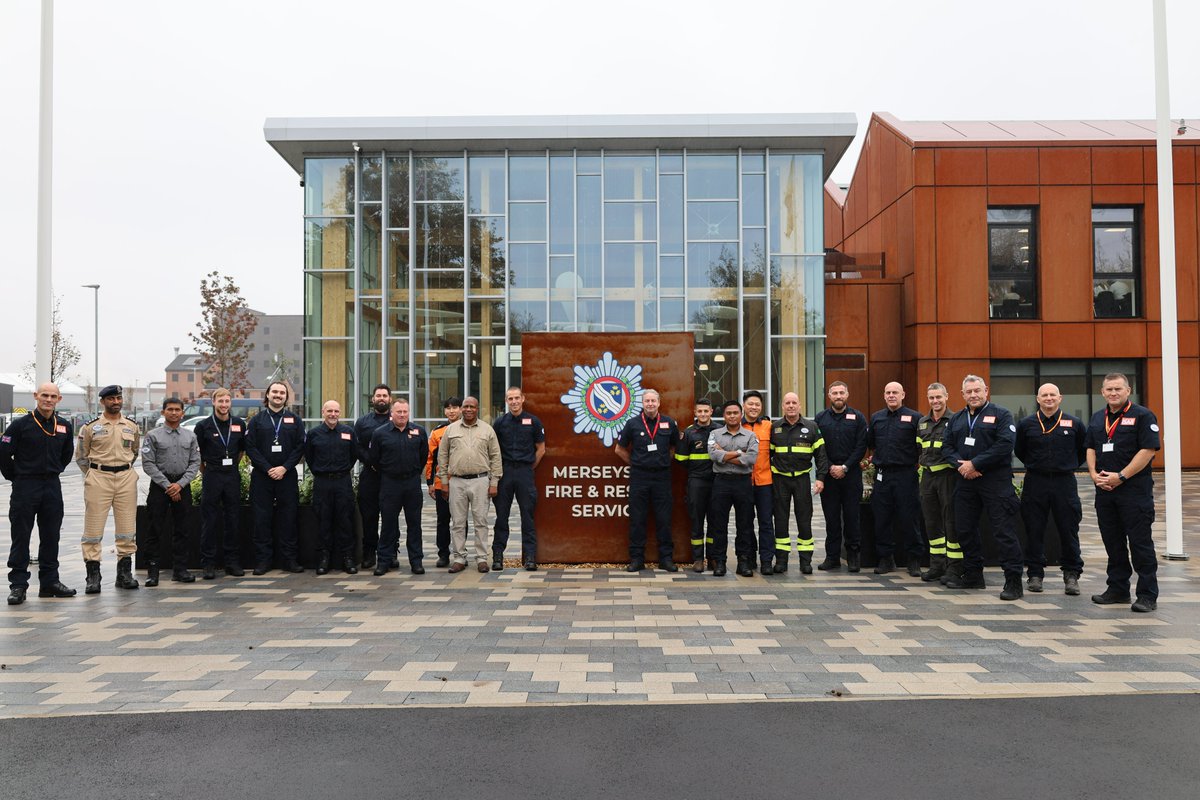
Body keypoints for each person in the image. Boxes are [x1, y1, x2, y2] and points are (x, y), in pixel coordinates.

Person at [943, 375, 1024, 600]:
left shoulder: (1001, 414)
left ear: (986, 390)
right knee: (964, 529)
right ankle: (973, 575)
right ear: (963, 394)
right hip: (966, 481)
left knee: (1003, 531)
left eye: (977, 390)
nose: (973, 395)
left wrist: (976, 464)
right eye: (969, 392)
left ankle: (1013, 582)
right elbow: (946, 447)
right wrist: (962, 466)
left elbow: (1005, 444)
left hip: (995, 481)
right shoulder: (957, 418)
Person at [1084, 373, 1160, 612]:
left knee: (1140, 544)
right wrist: (1094, 474)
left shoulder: (1143, 416)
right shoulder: (1098, 418)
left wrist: (1121, 476)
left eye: (1118, 389)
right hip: (1105, 492)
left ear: (1128, 390)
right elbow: (1090, 447)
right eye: (1109, 389)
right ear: (1102, 392)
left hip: (1134, 492)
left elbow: (1148, 451)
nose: (1113, 393)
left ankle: (1147, 595)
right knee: (1113, 542)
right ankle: (1118, 589)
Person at [2, 383, 77, 605]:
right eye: (44, 395)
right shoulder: (20, 425)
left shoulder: (63, 426)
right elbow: (3, 454)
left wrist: (54, 470)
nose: (48, 399)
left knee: (51, 535)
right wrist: (16, 477)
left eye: (53, 396)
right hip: (25, 486)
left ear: (59, 399)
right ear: (36, 396)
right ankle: (18, 585)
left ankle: (49, 583)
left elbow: (66, 455)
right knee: (21, 535)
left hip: (52, 486)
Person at [1015, 383, 1086, 595]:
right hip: (1036, 481)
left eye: (1052, 395)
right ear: (1038, 399)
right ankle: (1035, 574)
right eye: (1044, 395)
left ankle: (1071, 575)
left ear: (1060, 398)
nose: (1049, 398)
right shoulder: (1026, 424)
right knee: (1034, 529)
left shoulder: (1074, 423)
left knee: (1068, 528)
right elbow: (1020, 450)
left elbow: (1083, 451)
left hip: (1065, 482)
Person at [75, 384, 142, 593]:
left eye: (118, 398)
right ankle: (93, 576)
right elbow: (81, 456)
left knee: (127, 528)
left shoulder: (131, 426)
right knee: (93, 530)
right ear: (103, 401)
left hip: (125, 478)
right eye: (111, 398)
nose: (116, 402)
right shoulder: (90, 427)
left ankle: (124, 573)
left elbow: (134, 452)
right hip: (99, 478)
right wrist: (94, 474)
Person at [615, 389, 680, 572]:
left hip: (662, 477)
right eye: (647, 401)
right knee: (637, 519)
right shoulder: (632, 424)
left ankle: (666, 559)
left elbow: (675, 446)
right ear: (642, 403)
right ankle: (637, 559)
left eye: (653, 401)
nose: (650, 404)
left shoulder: (669, 423)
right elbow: (619, 449)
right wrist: (635, 463)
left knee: (664, 519)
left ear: (659, 403)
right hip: (639, 477)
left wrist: (664, 461)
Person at [245, 381, 306, 575]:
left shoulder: (295, 420)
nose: (278, 395)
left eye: (282, 393)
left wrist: (284, 468)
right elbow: (250, 447)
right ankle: (263, 561)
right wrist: (268, 468)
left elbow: (300, 447)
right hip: (262, 477)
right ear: (268, 395)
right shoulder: (256, 420)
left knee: (289, 518)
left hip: (287, 476)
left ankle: (289, 560)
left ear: (286, 397)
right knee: (261, 519)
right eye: (275, 392)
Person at [140, 396, 201, 585]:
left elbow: (195, 463)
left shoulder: (190, 436)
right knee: (154, 528)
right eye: (170, 409)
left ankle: (180, 570)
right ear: (163, 412)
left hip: (182, 485)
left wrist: (180, 484)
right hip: (160, 487)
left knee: (183, 529)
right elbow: (148, 463)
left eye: (177, 410)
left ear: (182, 413)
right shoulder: (152, 436)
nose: (174, 413)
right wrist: (168, 485)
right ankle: (152, 572)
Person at [437, 396, 502, 573]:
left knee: (481, 522)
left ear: (477, 409)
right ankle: (459, 558)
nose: (468, 409)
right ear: (461, 409)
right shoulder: (450, 430)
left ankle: (481, 559)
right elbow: (442, 457)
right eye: (465, 406)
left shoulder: (487, 430)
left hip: (481, 481)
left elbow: (496, 457)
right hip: (456, 481)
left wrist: (494, 482)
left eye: (472, 407)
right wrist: (444, 482)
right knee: (458, 523)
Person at [866, 382, 924, 576]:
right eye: (888, 392)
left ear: (903, 395)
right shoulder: (877, 418)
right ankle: (886, 559)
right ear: (884, 395)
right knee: (882, 518)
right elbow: (871, 443)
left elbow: (920, 446)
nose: (891, 395)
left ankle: (913, 560)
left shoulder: (915, 418)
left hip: (906, 475)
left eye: (895, 392)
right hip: (882, 475)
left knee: (909, 518)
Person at [768, 392, 828, 574]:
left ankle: (805, 561)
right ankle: (781, 560)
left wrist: (820, 478)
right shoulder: (775, 428)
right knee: (780, 520)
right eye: (787, 403)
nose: (791, 406)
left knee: (804, 520)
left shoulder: (812, 427)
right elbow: (767, 455)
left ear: (800, 405)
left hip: (801, 479)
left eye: (794, 402)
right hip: (780, 480)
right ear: (783, 406)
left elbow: (821, 455)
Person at [193, 388, 247, 579]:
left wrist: (231, 466)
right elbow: (197, 455)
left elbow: (241, 451)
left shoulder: (239, 424)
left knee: (233, 519)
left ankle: (232, 562)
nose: (224, 405)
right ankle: (208, 563)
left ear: (230, 403)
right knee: (209, 520)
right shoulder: (203, 426)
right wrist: (207, 471)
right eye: (220, 401)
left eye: (227, 401)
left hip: (231, 475)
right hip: (212, 474)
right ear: (213, 402)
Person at [370, 398, 428, 575]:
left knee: (414, 524)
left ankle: (416, 561)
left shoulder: (419, 431)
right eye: (399, 412)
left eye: (405, 412)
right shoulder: (379, 433)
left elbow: (423, 457)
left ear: (409, 413)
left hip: (412, 484)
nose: (402, 415)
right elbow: (374, 459)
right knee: (388, 524)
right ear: (392, 413)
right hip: (390, 483)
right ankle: (384, 561)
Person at [491, 387, 545, 571]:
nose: (514, 401)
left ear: (523, 399)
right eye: (510, 398)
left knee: (527, 517)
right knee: (501, 517)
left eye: (516, 398)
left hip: (524, 472)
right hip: (505, 473)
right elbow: (494, 450)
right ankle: (498, 556)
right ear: (506, 401)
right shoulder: (499, 423)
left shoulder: (534, 422)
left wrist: (529, 468)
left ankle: (530, 557)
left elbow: (541, 449)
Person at [815, 381, 867, 572]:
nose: (838, 396)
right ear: (829, 395)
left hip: (851, 475)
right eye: (835, 393)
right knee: (832, 519)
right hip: (829, 477)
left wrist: (845, 467)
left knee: (852, 518)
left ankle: (853, 557)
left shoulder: (858, 418)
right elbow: (818, 447)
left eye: (841, 392)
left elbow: (861, 446)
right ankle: (832, 558)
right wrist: (830, 467)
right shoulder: (820, 418)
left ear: (847, 394)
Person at [305, 400, 360, 576]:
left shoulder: (348, 432)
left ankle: (348, 558)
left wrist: (342, 470)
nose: (333, 414)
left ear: (340, 412)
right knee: (323, 520)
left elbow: (354, 455)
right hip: (322, 482)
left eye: (336, 411)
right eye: (329, 411)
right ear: (323, 412)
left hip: (342, 481)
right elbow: (309, 457)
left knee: (345, 520)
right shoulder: (313, 434)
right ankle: (324, 558)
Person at [706, 399, 759, 577]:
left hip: (743, 483)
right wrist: (739, 453)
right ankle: (720, 561)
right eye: (728, 413)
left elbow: (751, 459)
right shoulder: (714, 434)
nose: (732, 416)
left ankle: (743, 562)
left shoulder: (750, 436)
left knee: (745, 523)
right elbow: (713, 455)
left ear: (741, 414)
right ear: (724, 416)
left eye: (735, 413)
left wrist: (725, 454)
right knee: (719, 524)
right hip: (721, 482)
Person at [917, 383, 959, 584]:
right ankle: (937, 566)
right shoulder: (922, 422)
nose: (935, 401)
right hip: (928, 477)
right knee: (931, 522)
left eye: (938, 397)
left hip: (948, 476)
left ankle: (954, 567)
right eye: (931, 397)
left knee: (950, 522)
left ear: (946, 396)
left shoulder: (955, 420)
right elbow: (919, 448)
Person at [675, 398, 718, 573]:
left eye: (706, 411)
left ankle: (713, 558)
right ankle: (698, 559)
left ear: (711, 412)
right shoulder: (689, 433)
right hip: (696, 481)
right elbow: (681, 459)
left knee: (715, 522)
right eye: (700, 411)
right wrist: (697, 469)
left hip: (716, 481)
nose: (703, 414)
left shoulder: (719, 431)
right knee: (697, 521)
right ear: (695, 413)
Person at [355, 384, 393, 570]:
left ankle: (390, 553)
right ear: (373, 399)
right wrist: (370, 462)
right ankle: (369, 553)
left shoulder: (396, 419)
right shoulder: (362, 422)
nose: (381, 398)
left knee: (390, 517)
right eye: (378, 395)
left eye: (385, 395)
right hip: (370, 475)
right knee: (369, 517)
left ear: (390, 399)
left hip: (390, 477)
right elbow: (357, 446)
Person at [424, 397, 462, 568]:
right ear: (444, 411)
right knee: (443, 520)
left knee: (461, 521)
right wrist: (430, 482)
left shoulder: (467, 429)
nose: (451, 411)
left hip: (461, 482)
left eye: (455, 407)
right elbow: (430, 459)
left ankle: (461, 553)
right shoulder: (437, 432)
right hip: (442, 484)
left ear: (460, 409)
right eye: (448, 408)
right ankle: (443, 554)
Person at [741, 390, 774, 573]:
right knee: (746, 522)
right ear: (744, 405)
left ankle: (767, 560)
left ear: (761, 407)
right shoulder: (737, 426)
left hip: (765, 482)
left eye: (757, 404)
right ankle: (749, 557)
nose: (754, 407)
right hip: (743, 482)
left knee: (766, 522)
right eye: (750, 404)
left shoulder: (769, 426)